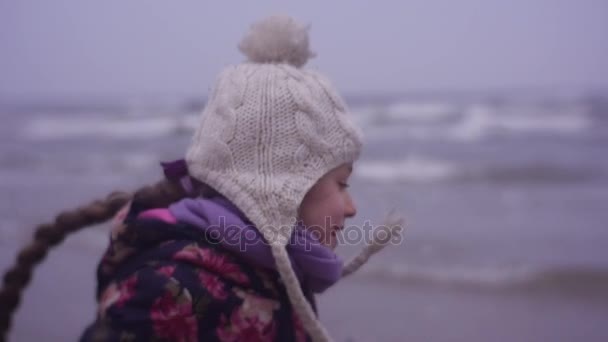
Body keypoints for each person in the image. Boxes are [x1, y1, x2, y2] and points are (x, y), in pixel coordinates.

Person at [0, 15, 402, 342]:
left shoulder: (264, 272)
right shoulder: (172, 293)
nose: (351, 208)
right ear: (280, 187)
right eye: (342, 184)